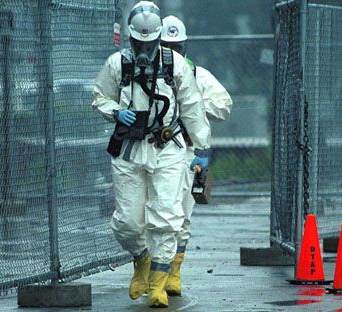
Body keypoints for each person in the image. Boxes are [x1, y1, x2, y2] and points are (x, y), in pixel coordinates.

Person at [92, 2, 211, 308]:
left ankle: (158, 282)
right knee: (128, 222)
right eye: (138, 42)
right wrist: (115, 112)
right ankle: (141, 258)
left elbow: (194, 108)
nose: (144, 47)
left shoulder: (176, 66)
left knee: (166, 216)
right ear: (131, 39)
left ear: (158, 38)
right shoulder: (117, 65)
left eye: (149, 42)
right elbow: (100, 97)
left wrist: (202, 149)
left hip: (168, 148)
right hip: (130, 149)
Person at [160, 15, 233, 297]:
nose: (173, 53)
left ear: (185, 46)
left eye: (177, 47)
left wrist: (194, 105)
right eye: (167, 46)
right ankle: (153, 270)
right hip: (154, 153)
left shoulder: (196, 76)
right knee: (152, 215)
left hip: (187, 153)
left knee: (181, 215)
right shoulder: (145, 78)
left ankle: (173, 272)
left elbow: (224, 106)